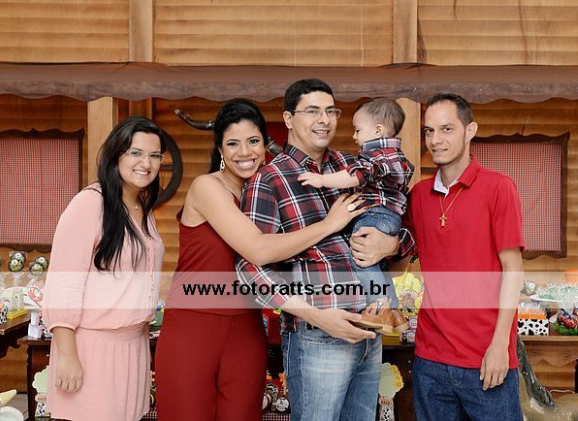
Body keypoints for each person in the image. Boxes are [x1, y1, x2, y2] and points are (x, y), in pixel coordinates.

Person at [154, 99, 363, 421]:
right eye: (232, 143)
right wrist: (328, 224)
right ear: (220, 150)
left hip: (248, 328)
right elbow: (257, 249)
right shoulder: (207, 187)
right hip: (193, 326)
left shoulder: (269, 193)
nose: (244, 152)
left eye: (253, 141)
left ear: (265, 145)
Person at [236, 79, 413, 421]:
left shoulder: (354, 168)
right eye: (313, 111)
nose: (325, 119)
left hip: (369, 332)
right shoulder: (270, 179)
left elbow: (400, 224)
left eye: (331, 111)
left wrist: (391, 244)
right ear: (289, 118)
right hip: (319, 336)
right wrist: (315, 315)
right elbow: (249, 268)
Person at [405, 93, 524, 420]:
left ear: (470, 130)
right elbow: (398, 250)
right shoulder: (419, 195)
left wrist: (500, 346)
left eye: (447, 129)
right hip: (430, 359)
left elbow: (513, 268)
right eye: (429, 131)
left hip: (486, 359)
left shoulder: (499, 187)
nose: (435, 140)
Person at [42, 116, 167, 421]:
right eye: (136, 153)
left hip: (134, 346)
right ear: (116, 154)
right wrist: (67, 356)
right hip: (92, 347)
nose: (146, 163)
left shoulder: (142, 207)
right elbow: (64, 284)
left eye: (154, 155)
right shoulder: (89, 203)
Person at [298, 98, 414, 333]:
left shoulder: (377, 156)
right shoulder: (396, 155)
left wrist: (321, 180)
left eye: (358, 130)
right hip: (389, 217)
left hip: (376, 215)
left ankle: (378, 307)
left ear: (378, 130)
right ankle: (394, 313)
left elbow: (354, 176)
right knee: (376, 263)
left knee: (360, 256)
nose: (353, 136)